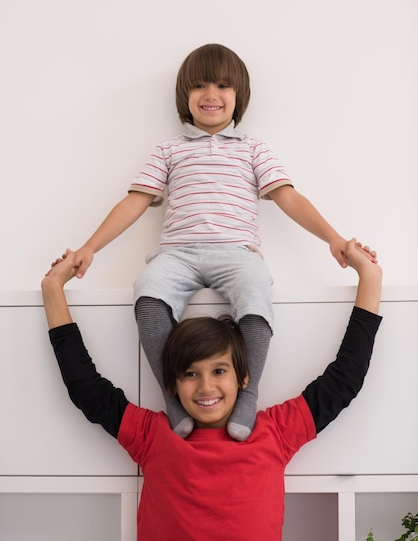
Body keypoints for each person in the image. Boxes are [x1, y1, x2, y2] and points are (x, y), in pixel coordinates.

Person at [50, 44, 376, 440]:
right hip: (178, 254)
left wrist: (334, 239)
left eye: (223, 85)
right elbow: (134, 202)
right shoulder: (169, 151)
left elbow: (288, 196)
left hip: (236, 253)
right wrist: (89, 248)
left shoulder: (252, 149)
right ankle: (173, 396)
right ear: (184, 96)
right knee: (147, 293)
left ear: (239, 96)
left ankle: (247, 394)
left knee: (257, 292)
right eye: (200, 85)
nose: (211, 94)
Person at [42, 238, 382, 541]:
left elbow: (345, 379)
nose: (206, 387)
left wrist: (370, 277)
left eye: (219, 371)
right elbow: (85, 387)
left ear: (243, 377)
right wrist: (53, 288)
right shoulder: (152, 436)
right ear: (172, 382)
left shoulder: (275, 433)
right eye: (190, 374)